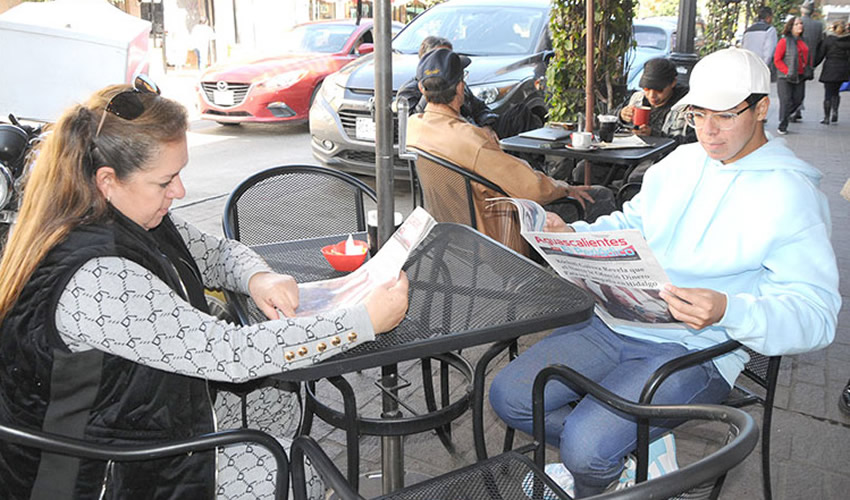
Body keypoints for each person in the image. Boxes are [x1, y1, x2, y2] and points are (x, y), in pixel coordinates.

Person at [0, 76, 409, 498]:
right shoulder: (96, 277)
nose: (179, 191)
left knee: (283, 399)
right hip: (100, 474)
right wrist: (364, 320)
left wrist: (258, 277)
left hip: (137, 418)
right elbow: (231, 353)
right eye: (166, 180)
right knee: (296, 465)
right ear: (108, 180)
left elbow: (217, 254)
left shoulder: (129, 214)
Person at [489, 48, 839, 498]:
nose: (708, 131)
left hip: (698, 348)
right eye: (698, 114)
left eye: (726, 116)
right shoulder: (679, 164)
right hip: (618, 321)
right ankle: (629, 461)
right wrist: (572, 233)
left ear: (762, 108)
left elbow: (818, 315)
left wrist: (729, 309)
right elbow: (632, 224)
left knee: (586, 445)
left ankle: (599, 470)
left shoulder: (792, 196)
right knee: (511, 396)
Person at [406, 48, 616, 256]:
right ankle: (588, 283)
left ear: (422, 89)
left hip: (449, 234)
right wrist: (566, 188)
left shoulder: (415, 127)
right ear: (460, 87)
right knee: (599, 196)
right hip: (498, 237)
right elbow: (533, 188)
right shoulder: (470, 140)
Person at [397, 37, 541, 140]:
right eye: (441, 59)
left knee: (520, 113)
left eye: (450, 58)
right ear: (425, 62)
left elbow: (481, 108)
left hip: (474, 132)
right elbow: (416, 124)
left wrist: (487, 127)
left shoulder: (460, 85)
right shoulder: (411, 91)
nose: (448, 63)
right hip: (458, 141)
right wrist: (432, 87)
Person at [774, 16, 810, 134]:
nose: (800, 26)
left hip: (800, 76)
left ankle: (785, 115)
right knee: (786, 100)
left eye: (801, 23)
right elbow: (777, 60)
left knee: (798, 100)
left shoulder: (804, 41)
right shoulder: (784, 41)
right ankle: (782, 125)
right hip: (785, 77)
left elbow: (807, 56)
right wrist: (787, 71)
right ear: (790, 27)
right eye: (796, 24)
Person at [814, 20, 850, 124]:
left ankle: (826, 117)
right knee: (836, 92)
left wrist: (813, 65)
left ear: (833, 28)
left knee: (828, 93)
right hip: (843, 69)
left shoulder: (829, 40)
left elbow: (821, 54)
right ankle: (835, 112)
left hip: (830, 68)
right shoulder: (848, 41)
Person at [798, 1, 825, 120]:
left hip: (795, 59)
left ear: (802, 10)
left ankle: (795, 109)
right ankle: (798, 107)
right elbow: (821, 46)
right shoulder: (818, 26)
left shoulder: (796, 22)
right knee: (800, 85)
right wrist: (815, 62)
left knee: (794, 85)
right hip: (809, 62)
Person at [741, 6, 778, 81]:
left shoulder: (747, 31)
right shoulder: (770, 30)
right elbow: (769, 52)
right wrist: (764, 67)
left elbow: (743, 48)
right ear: (768, 17)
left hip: (749, 66)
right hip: (762, 67)